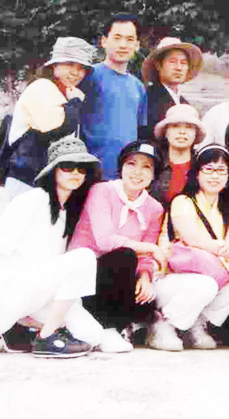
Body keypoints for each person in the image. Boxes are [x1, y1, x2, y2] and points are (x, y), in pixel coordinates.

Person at [0, 136, 105, 358]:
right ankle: (46, 337)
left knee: (92, 336)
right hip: (12, 287)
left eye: (81, 168)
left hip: (38, 291)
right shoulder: (33, 200)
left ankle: (17, 329)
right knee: (84, 257)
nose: (75, 173)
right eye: (68, 166)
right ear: (54, 171)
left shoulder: (71, 211)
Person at [148, 144, 229, 352]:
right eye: (208, 169)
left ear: (228, 176)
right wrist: (226, 248)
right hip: (168, 279)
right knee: (207, 284)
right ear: (197, 173)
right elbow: (192, 239)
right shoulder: (183, 201)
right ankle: (162, 324)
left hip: (208, 275)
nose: (215, 176)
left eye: (221, 170)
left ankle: (196, 323)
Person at [70, 140, 166, 353]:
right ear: (121, 167)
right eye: (131, 163)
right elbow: (105, 241)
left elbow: (145, 254)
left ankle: (128, 326)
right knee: (124, 256)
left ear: (154, 175)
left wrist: (145, 277)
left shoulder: (154, 208)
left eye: (147, 167)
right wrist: (149, 249)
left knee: (147, 299)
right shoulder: (102, 191)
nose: (137, 172)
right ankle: (108, 328)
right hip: (85, 272)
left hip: (119, 275)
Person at [4, 36, 93, 199]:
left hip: (45, 183)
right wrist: (75, 102)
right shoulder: (42, 87)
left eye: (82, 68)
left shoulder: (62, 93)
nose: (75, 72)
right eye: (69, 64)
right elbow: (56, 129)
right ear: (54, 65)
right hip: (27, 181)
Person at [80, 14, 147, 180]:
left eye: (130, 39)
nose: (123, 45)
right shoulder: (89, 76)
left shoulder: (138, 87)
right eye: (117, 38)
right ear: (104, 41)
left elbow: (138, 133)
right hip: (90, 173)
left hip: (125, 176)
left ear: (137, 45)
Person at [141, 37, 202, 138]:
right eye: (173, 61)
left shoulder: (185, 103)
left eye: (183, 63)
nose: (179, 68)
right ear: (158, 65)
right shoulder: (148, 98)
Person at [152, 103, 202, 203]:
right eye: (175, 126)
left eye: (189, 127)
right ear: (165, 132)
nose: (182, 132)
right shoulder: (153, 165)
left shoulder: (203, 168)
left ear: (196, 133)